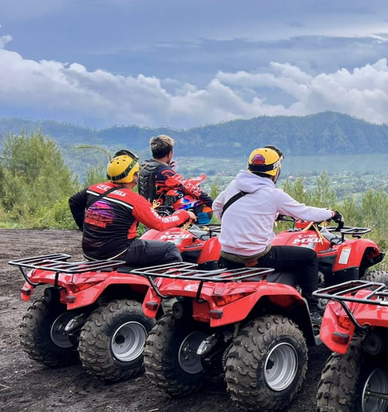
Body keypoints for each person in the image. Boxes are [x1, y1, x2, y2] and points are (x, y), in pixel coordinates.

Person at [212, 145, 342, 321]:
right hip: (257, 256)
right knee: (310, 256)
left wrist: (236, 225)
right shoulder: (273, 194)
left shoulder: (234, 185)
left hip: (227, 256)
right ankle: (312, 310)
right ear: (275, 171)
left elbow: (217, 206)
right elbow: (305, 213)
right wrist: (331, 213)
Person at [69, 150, 196, 266]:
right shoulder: (134, 200)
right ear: (133, 175)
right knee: (170, 249)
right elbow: (160, 224)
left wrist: (85, 229)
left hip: (90, 252)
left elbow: (74, 202)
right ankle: (166, 288)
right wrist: (183, 214)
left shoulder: (94, 189)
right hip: (118, 253)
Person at [138, 135, 213, 215]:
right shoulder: (165, 171)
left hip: (147, 208)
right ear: (170, 154)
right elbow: (189, 187)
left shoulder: (145, 166)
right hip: (162, 212)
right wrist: (211, 202)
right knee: (192, 197)